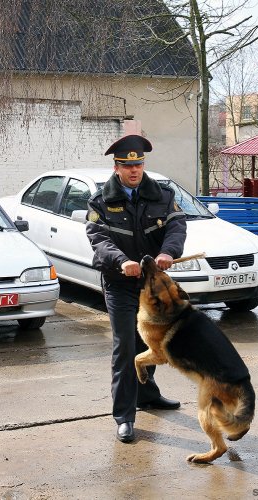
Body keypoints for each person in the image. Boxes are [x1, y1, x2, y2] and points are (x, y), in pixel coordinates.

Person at [86, 134, 187, 443]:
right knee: (126, 346)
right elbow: (98, 238)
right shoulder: (100, 201)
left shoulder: (163, 195)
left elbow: (177, 225)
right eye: (127, 165)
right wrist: (121, 262)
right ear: (117, 167)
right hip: (119, 284)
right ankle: (124, 416)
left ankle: (147, 395)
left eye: (139, 164)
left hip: (151, 284)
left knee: (152, 341)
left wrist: (169, 252)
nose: (134, 170)